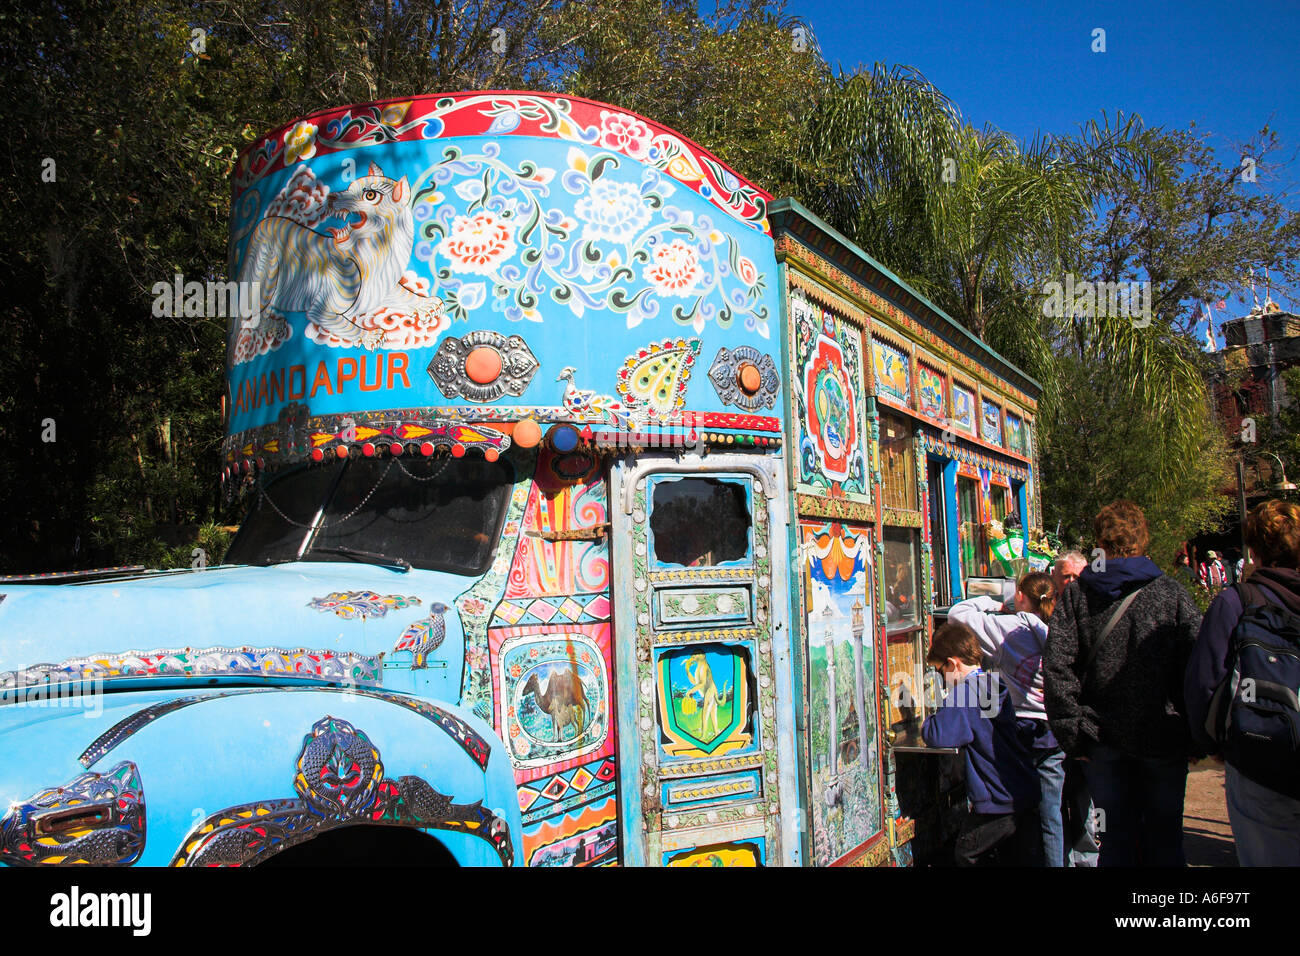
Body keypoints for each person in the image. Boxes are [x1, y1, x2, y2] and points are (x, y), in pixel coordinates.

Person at [1044, 500, 1203, 866]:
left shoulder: (1078, 596)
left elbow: (1057, 667)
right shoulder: (1171, 595)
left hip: (1101, 741)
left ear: (1101, 542)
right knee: (1165, 838)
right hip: (1163, 737)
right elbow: (1195, 666)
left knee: (1116, 838)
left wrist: (1073, 733)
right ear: (1142, 539)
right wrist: (1193, 733)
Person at [1185, 500, 1300, 865]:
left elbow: (1204, 681)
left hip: (1259, 758)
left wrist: (1211, 741)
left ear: (1253, 550)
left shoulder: (1236, 602)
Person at [948, 572, 1065, 866]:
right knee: (1051, 814)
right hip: (1055, 732)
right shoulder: (1062, 628)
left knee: (1016, 809)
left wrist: (996, 603)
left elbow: (956, 614)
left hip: (1020, 731)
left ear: (1021, 596)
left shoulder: (1009, 628)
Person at [922, 621, 1042, 866]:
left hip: (997, 800)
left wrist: (926, 720)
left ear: (953, 663)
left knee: (967, 852)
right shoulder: (992, 682)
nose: (941, 678)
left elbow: (937, 734)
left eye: (940, 670)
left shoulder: (966, 692)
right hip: (1021, 788)